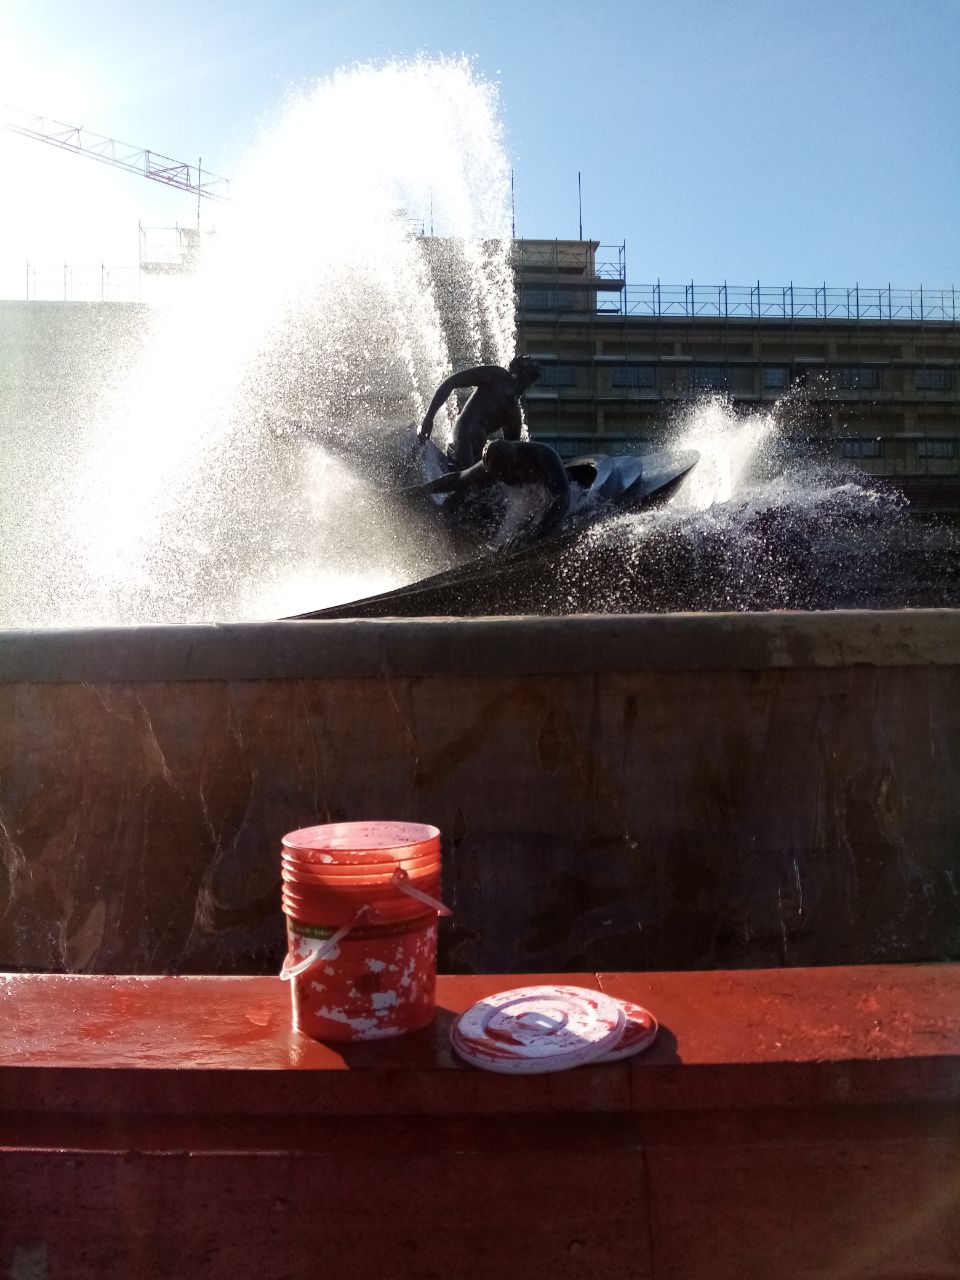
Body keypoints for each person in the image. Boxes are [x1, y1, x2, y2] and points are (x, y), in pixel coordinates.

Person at [406, 436, 570, 545]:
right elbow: (459, 479)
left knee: (546, 520)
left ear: (513, 461)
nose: (503, 478)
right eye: (498, 475)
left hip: (554, 494)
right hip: (528, 495)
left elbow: (562, 497)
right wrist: (419, 490)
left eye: (505, 473)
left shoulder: (543, 457)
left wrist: (534, 532)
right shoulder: (493, 464)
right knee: (505, 535)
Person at [417, 355, 542, 469]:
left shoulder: (514, 414)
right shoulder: (497, 376)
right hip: (462, 434)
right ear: (515, 366)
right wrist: (429, 417)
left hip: (478, 451)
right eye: (528, 361)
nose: (533, 363)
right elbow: (451, 382)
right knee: (464, 470)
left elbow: (510, 454)